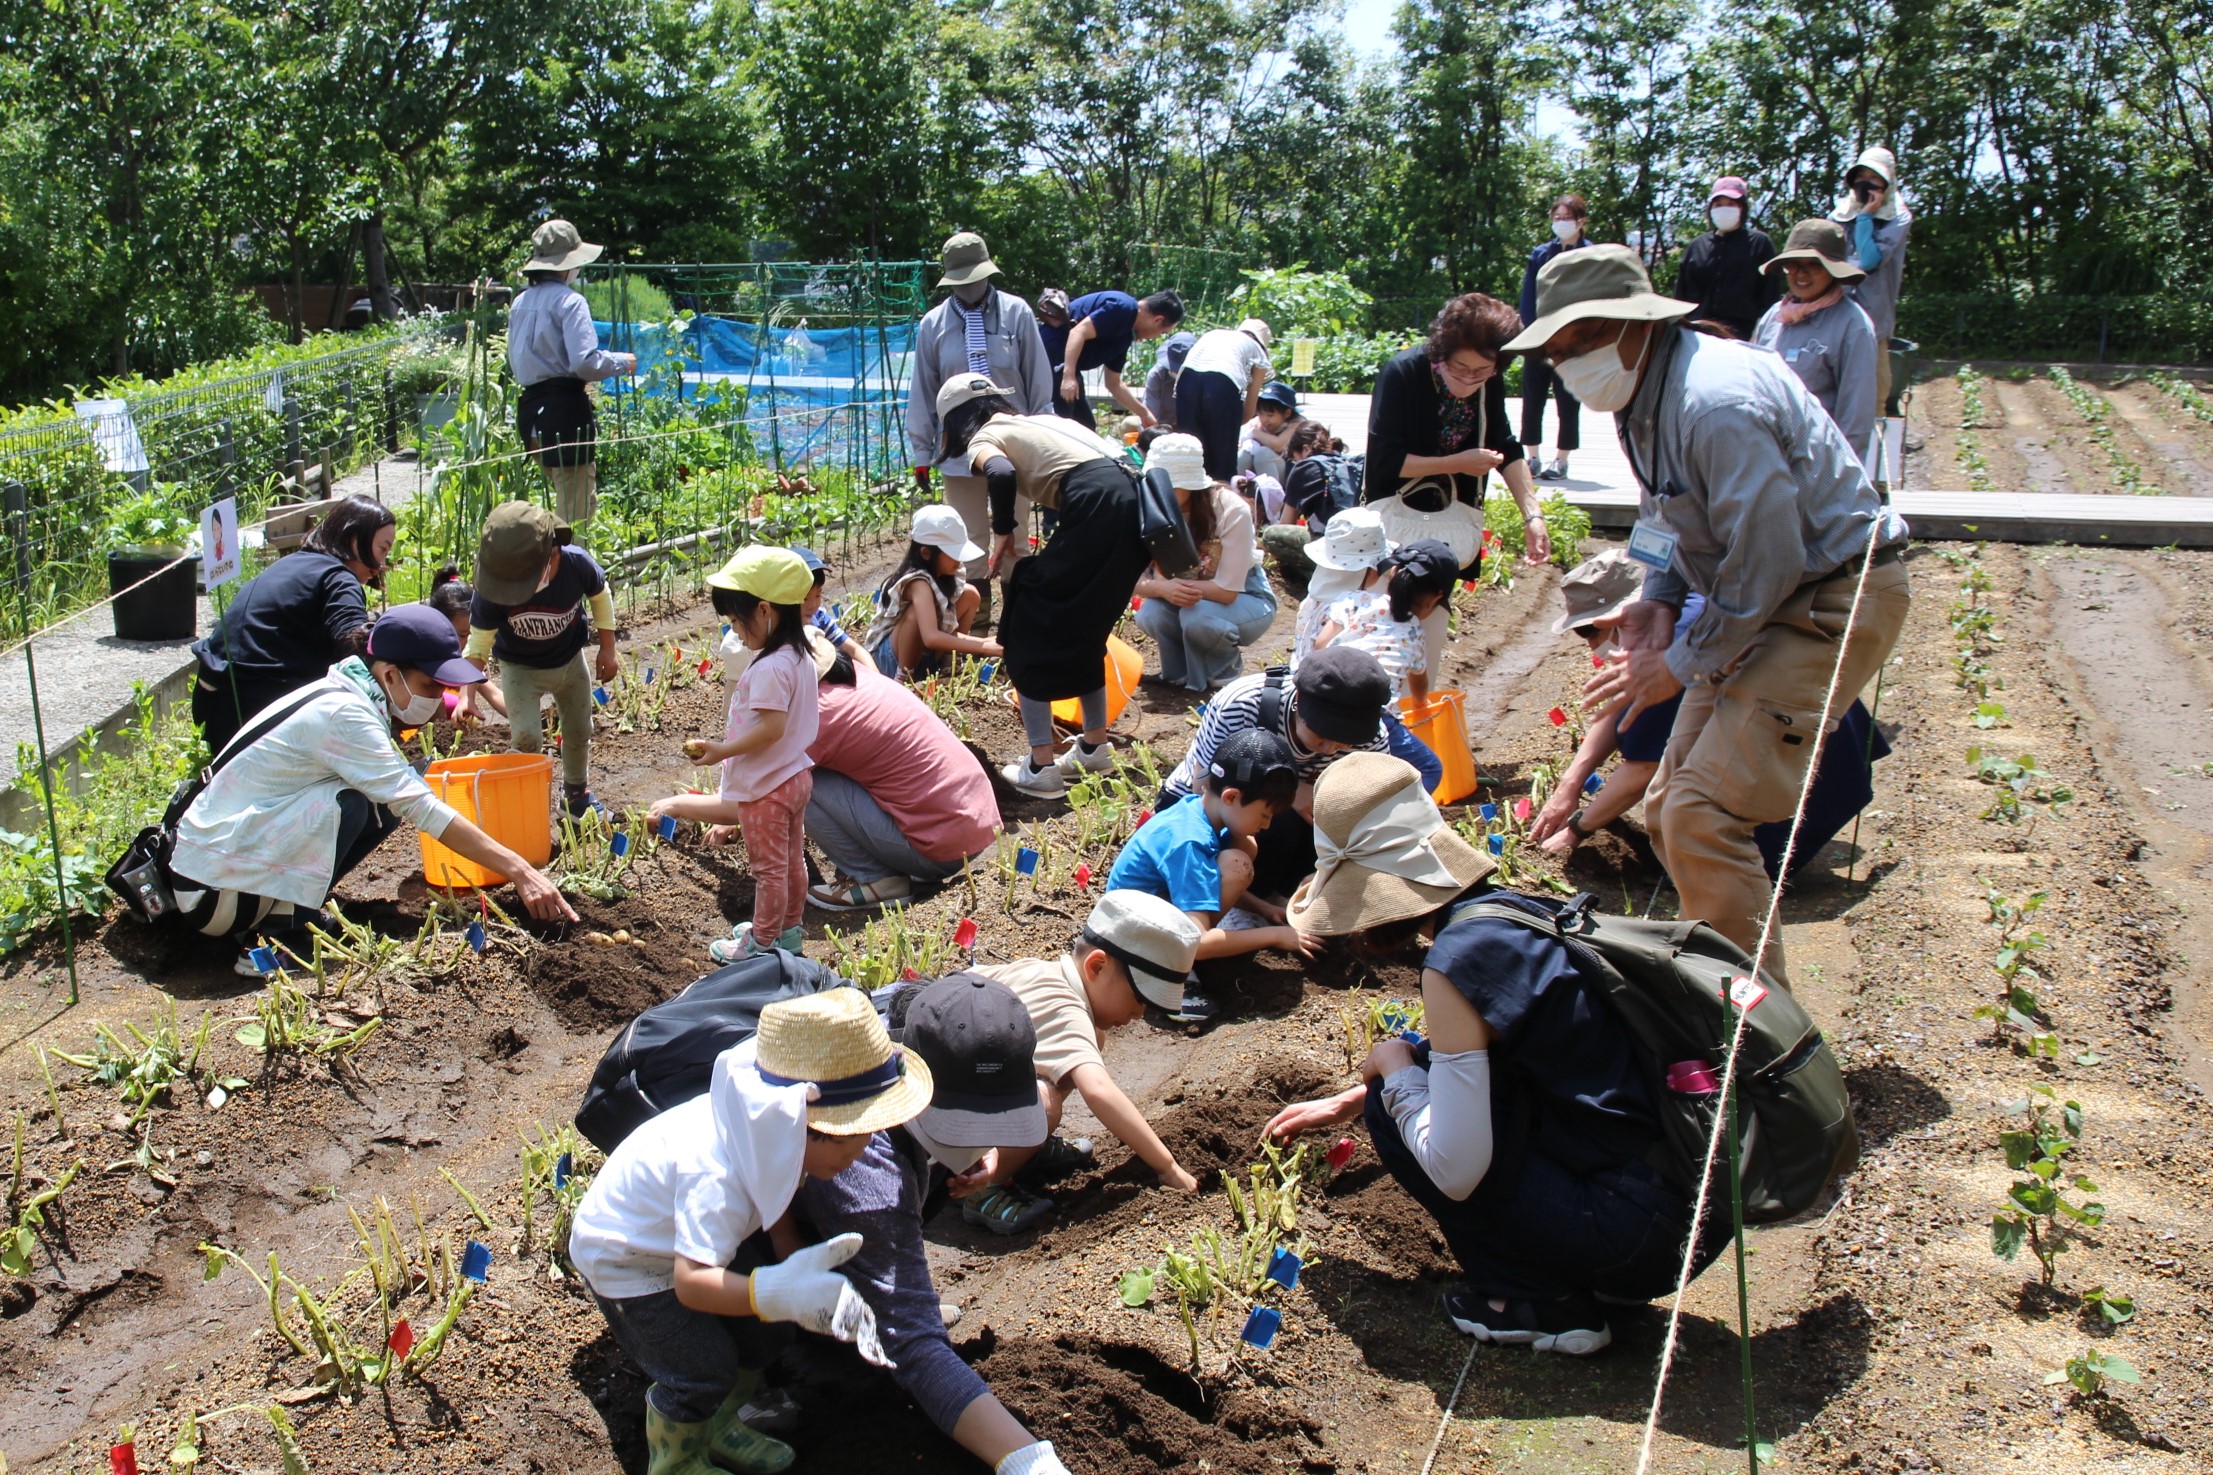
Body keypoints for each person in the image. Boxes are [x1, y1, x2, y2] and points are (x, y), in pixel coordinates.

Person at [1504, 244, 1911, 983]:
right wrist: (1655, 602)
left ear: (1638, 324)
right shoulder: (1644, 398)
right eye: (1558, 351)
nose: (1569, 363)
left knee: (1704, 814)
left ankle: (1757, 1039)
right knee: (1667, 810)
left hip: (1828, 596)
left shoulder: (1712, 401)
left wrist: (1680, 663)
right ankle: (1717, 982)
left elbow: (1767, 556)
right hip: (1761, 597)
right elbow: (1663, 512)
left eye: (1584, 340)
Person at [1263, 753, 1726, 1355]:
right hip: (1686, 1207)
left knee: (1393, 1110)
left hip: (1638, 1238)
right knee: (1396, 1088)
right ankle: (1571, 1267)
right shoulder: (1510, 917)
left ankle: (1539, 1302)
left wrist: (1393, 1074)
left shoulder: (1454, 963)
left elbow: (1457, 1170)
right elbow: (1501, 1051)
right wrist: (1350, 1098)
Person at [569, 990, 918, 1475]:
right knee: (700, 1368)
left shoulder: (771, 1129)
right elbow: (692, 1284)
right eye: (860, 1136)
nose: (866, 1150)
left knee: (764, 1336)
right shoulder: (716, 1175)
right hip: (629, 1258)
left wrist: (786, 1249)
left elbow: (770, 1187)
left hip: (688, 1237)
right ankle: (677, 1458)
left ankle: (723, 1424)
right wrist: (775, 1290)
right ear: (812, 1125)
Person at [169, 606, 578, 975]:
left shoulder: (350, 694)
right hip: (213, 892)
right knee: (354, 801)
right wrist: (520, 870)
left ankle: (289, 909)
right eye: (432, 686)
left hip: (226, 867)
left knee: (384, 792)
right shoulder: (346, 715)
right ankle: (275, 938)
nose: (439, 701)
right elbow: (422, 808)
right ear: (389, 674)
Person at [789, 975, 1073, 1474]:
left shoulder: (917, 1031)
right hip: (715, 1263)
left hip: (875, 1177)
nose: (987, 1143)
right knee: (883, 1321)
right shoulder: (864, 1170)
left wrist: (974, 1146)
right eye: (967, 1124)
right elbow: (916, 1348)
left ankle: (872, 1282)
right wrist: (1028, 1462)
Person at [1532, 552, 1890, 880]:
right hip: (1810, 743)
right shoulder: (1678, 611)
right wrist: (1570, 785)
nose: (1591, 644)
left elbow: (1644, 767)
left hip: (1801, 770)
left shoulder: (1673, 640)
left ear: (1627, 611)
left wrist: (1576, 830)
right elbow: (1620, 713)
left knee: (1715, 870)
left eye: (1590, 630)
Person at [933, 373, 1153, 800]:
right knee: (1087, 625)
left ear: (955, 420)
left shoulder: (985, 436)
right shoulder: (1044, 423)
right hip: (1138, 506)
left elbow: (998, 473)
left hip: (1097, 504)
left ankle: (1041, 765)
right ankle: (1094, 746)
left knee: (1026, 621)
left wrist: (1003, 531)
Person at [962, 891, 1211, 1230]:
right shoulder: (1067, 1011)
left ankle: (1021, 1146)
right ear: (1097, 965)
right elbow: (1099, 1091)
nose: (1140, 1014)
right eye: (1139, 998)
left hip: (953, 1093)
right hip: (945, 1134)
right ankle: (982, 1189)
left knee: (1092, 1040)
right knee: (1044, 1105)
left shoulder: (1040, 971)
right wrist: (1167, 1166)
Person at [1363, 292, 1552, 681]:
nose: (1469, 379)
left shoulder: (1488, 383)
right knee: (1377, 621)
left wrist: (1532, 514)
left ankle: (1415, 713)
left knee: (1429, 623)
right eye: (1459, 367)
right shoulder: (1403, 372)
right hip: (1395, 518)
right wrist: (1458, 464)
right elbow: (1385, 460)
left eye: (1482, 370)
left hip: (1447, 523)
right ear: (1441, 350)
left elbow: (1506, 445)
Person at [652, 548, 822, 962]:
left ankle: (761, 942)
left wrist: (721, 751)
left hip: (766, 787)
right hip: (795, 776)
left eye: (735, 622)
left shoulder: (768, 668)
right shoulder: (799, 655)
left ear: (764, 610)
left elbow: (770, 728)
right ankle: (789, 930)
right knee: (791, 860)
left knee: (768, 870)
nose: (736, 633)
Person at [1160, 645, 1434, 900]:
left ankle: (1285, 897)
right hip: (1214, 806)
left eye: (1344, 742)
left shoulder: (1372, 739)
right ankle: (1243, 902)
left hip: (1296, 819)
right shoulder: (1243, 704)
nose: (1330, 750)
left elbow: (1370, 811)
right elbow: (1204, 789)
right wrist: (1289, 793)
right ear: (1300, 699)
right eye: (1321, 736)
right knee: (1275, 818)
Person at [903, 232, 1054, 605]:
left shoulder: (1016, 313)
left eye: (975, 277)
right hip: (958, 447)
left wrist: (1044, 434)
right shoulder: (933, 325)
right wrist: (922, 452)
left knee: (1016, 537)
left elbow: (1037, 378)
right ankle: (977, 624)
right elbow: (923, 389)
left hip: (1014, 443)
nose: (969, 286)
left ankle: (1017, 624)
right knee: (967, 539)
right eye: (961, 279)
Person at [802, 645, 1001, 912]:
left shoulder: (820, 712)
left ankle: (875, 880)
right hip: (978, 824)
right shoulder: (860, 676)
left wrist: (728, 816)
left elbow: (766, 789)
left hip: (941, 850)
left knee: (801, 783)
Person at [189, 495, 393, 753]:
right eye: (382, 549)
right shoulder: (338, 577)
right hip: (263, 709)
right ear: (354, 538)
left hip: (221, 696)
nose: (381, 565)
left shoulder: (292, 564)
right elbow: (351, 639)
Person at [1105, 729, 1313, 967]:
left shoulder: (1197, 810)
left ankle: (1202, 939)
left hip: (1145, 920)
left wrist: (1264, 909)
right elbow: (1199, 943)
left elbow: (1205, 882)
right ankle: (1183, 970)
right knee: (1236, 863)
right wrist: (1275, 936)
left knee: (1244, 848)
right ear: (1231, 797)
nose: (1266, 825)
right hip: (1130, 941)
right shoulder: (1190, 842)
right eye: (1264, 815)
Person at [465, 501, 620, 819]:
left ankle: (575, 797)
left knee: (579, 730)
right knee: (526, 738)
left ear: (553, 554)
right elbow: (478, 644)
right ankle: (523, 806)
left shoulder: (576, 564)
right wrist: (466, 695)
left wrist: (608, 649)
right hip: (520, 669)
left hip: (570, 662)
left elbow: (600, 596)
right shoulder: (492, 590)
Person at [508, 219, 638, 526]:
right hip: (565, 415)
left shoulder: (520, 302)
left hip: (531, 415)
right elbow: (584, 363)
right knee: (575, 512)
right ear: (568, 264)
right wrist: (622, 362)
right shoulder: (570, 301)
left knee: (557, 501)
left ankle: (552, 567)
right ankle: (568, 571)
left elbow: (516, 362)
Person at [1131, 434, 1277, 692]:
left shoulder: (1228, 508)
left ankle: (1224, 665)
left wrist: (1172, 586)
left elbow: (1228, 591)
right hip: (1182, 597)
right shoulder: (1147, 508)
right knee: (1151, 613)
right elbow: (1131, 579)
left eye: (1171, 487)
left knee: (1197, 615)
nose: (1161, 494)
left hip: (1245, 597)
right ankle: (1177, 671)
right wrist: (1161, 588)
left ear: (1193, 485)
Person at [1753, 220, 1880, 462]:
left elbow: (1855, 415)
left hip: (1818, 464)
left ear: (1832, 270)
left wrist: (1844, 481)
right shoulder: (1773, 317)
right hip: (1766, 458)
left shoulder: (1853, 325)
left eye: (1814, 265)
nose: (1801, 274)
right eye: (1794, 265)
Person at [1307, 539, 1460, 706]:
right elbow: (1419, 685)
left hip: (1325, 697)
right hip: (1373, 719)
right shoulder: (1414, 634)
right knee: (1402, 730)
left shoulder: (1354, 600)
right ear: (1435, 599)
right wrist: (1422, 704)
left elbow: (1321, 644)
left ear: (1393, 572)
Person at [858, 505, 1001, 681]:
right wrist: (983, 646)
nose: (959, 560)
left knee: (970, 594)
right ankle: (903, 678)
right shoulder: (918, 582)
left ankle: (949, 662)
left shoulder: (947, 573)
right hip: (890, 660)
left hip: (926, 655)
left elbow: (942, 631)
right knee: (915, 616)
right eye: (953, 554)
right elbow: (931, 637)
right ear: (926, 553)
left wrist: (985, 643)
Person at [1828, 147, 1912, 416]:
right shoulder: (1840, 213)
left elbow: (1870, 260)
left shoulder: (1897, 217)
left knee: (1874, 391)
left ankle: (1874, 448)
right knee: (1834, 387)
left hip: (1873, 317)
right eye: (1860, 177)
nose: (1866, 184)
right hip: (1836, 310)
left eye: (1873, 178)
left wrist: (1866, 216)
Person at [1518, 195, 1595, 480]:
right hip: (1540, 337)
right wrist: (1530, 331)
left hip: (1573, 340)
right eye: (1557, 218)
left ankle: (1561, 459)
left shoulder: (1590, 253)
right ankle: (1532, 457)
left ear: (1581, 221)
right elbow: (1528, 297)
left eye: (1567, 218)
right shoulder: (1540, 254)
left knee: (1567, 400)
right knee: (1533, 396)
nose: (1561, 223)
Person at [1037, 289, 1185, 428]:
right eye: (1163, 332)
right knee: (1064, 426)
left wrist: (1144, 414)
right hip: (1051, 360)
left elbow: (1113, 383)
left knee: (1086, 427)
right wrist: (1068, 377)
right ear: (1158, 320)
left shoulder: (1124, 336)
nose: (1157, 336)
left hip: (1068, 369)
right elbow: (1078, 332)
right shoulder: (1122, 308)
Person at [1671, 176, 1778, 341]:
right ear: (1710, 208)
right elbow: (1681, 296)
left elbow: (1769, 296)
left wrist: (1760, 335)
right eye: (1718, 204)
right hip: (1695, 336)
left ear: (1742, 207)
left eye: (1731, 204)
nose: (1724, 209)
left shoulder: (1759, 243)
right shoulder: (1696, 246)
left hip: (1742, 337)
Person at [1174, 319, 1273, 481]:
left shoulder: (1215, 335)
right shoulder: (1257, 351)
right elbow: (1249, 410)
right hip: (1222, 384)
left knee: (1191, 454)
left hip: (1186, 382)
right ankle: (1220, 501)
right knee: (1222, 462)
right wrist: (1230, 428)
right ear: (1262, 342)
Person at [424, 569, 508, 722]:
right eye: (463, 635)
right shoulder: (424, 663)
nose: (470, 643)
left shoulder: (464, 664)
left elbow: (494, 694)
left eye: (473, 636)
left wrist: (527, 716)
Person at [789, 548, 868, 667]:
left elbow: (854, 650)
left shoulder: (819, 618)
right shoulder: (780, 631)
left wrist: (878, 678)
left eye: (818, 595)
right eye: (804, 598)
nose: (813, 605)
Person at [1238, 380, 1304, 484]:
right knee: (1245, 454)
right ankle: (1237, 491)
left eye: (1270, 415)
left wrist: (1255, 433)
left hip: (1287, 475)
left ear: (1287, 413)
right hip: (1257, 475)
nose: (1264, 419)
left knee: (1263, 454)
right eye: (1260, 413)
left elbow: (1278, 445)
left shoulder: (1297, 424)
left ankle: (1272, 497)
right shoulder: (1257, 421)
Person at [1142, 330, 1196, 429]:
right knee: (1128, 424)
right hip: (1162, 428)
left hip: (1190, 429)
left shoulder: (1202, 377)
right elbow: (1149, 414)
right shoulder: (1157, 375)